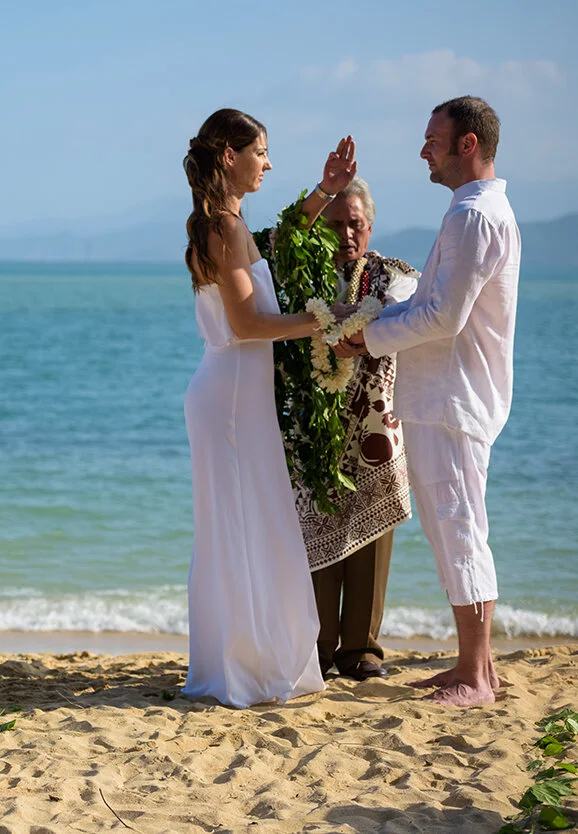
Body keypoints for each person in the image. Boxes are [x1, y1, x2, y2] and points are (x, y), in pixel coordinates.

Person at [341, 96, 520, 707]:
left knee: (460, 527)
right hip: (444, 393)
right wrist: (381, 319)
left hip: (453, 396)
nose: (423, 151)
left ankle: (475, 676)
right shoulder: (474, 210)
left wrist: (369, 336)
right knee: (455, 528)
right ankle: (477, 665)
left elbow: (443, 317)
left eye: (432, 140)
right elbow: (431, 308)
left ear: (467, 144)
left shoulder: (474, 216)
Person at [180, 108, 357, 707]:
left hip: (234, 395)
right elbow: (247, 322)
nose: (268, 162)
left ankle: (247, 659)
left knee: (250, 522)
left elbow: (274, 248)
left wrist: (324, 193)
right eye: (261, 151)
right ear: (230, 156)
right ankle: (240, 667)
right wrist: (323, 323)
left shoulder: (229, 224)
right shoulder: (220, 228)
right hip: (229, 395)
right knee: (239, 525)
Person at [298, 177, 418, 682]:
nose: (347, 234)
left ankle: (362, 650)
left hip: (374, 425)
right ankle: (319, 646)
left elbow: (401, 314)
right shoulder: (302, 279)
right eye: (336, 224)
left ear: (370, 227)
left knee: (371, 534)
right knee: (316, 531)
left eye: (356, 224)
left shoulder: (396, 276)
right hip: (314, 428)